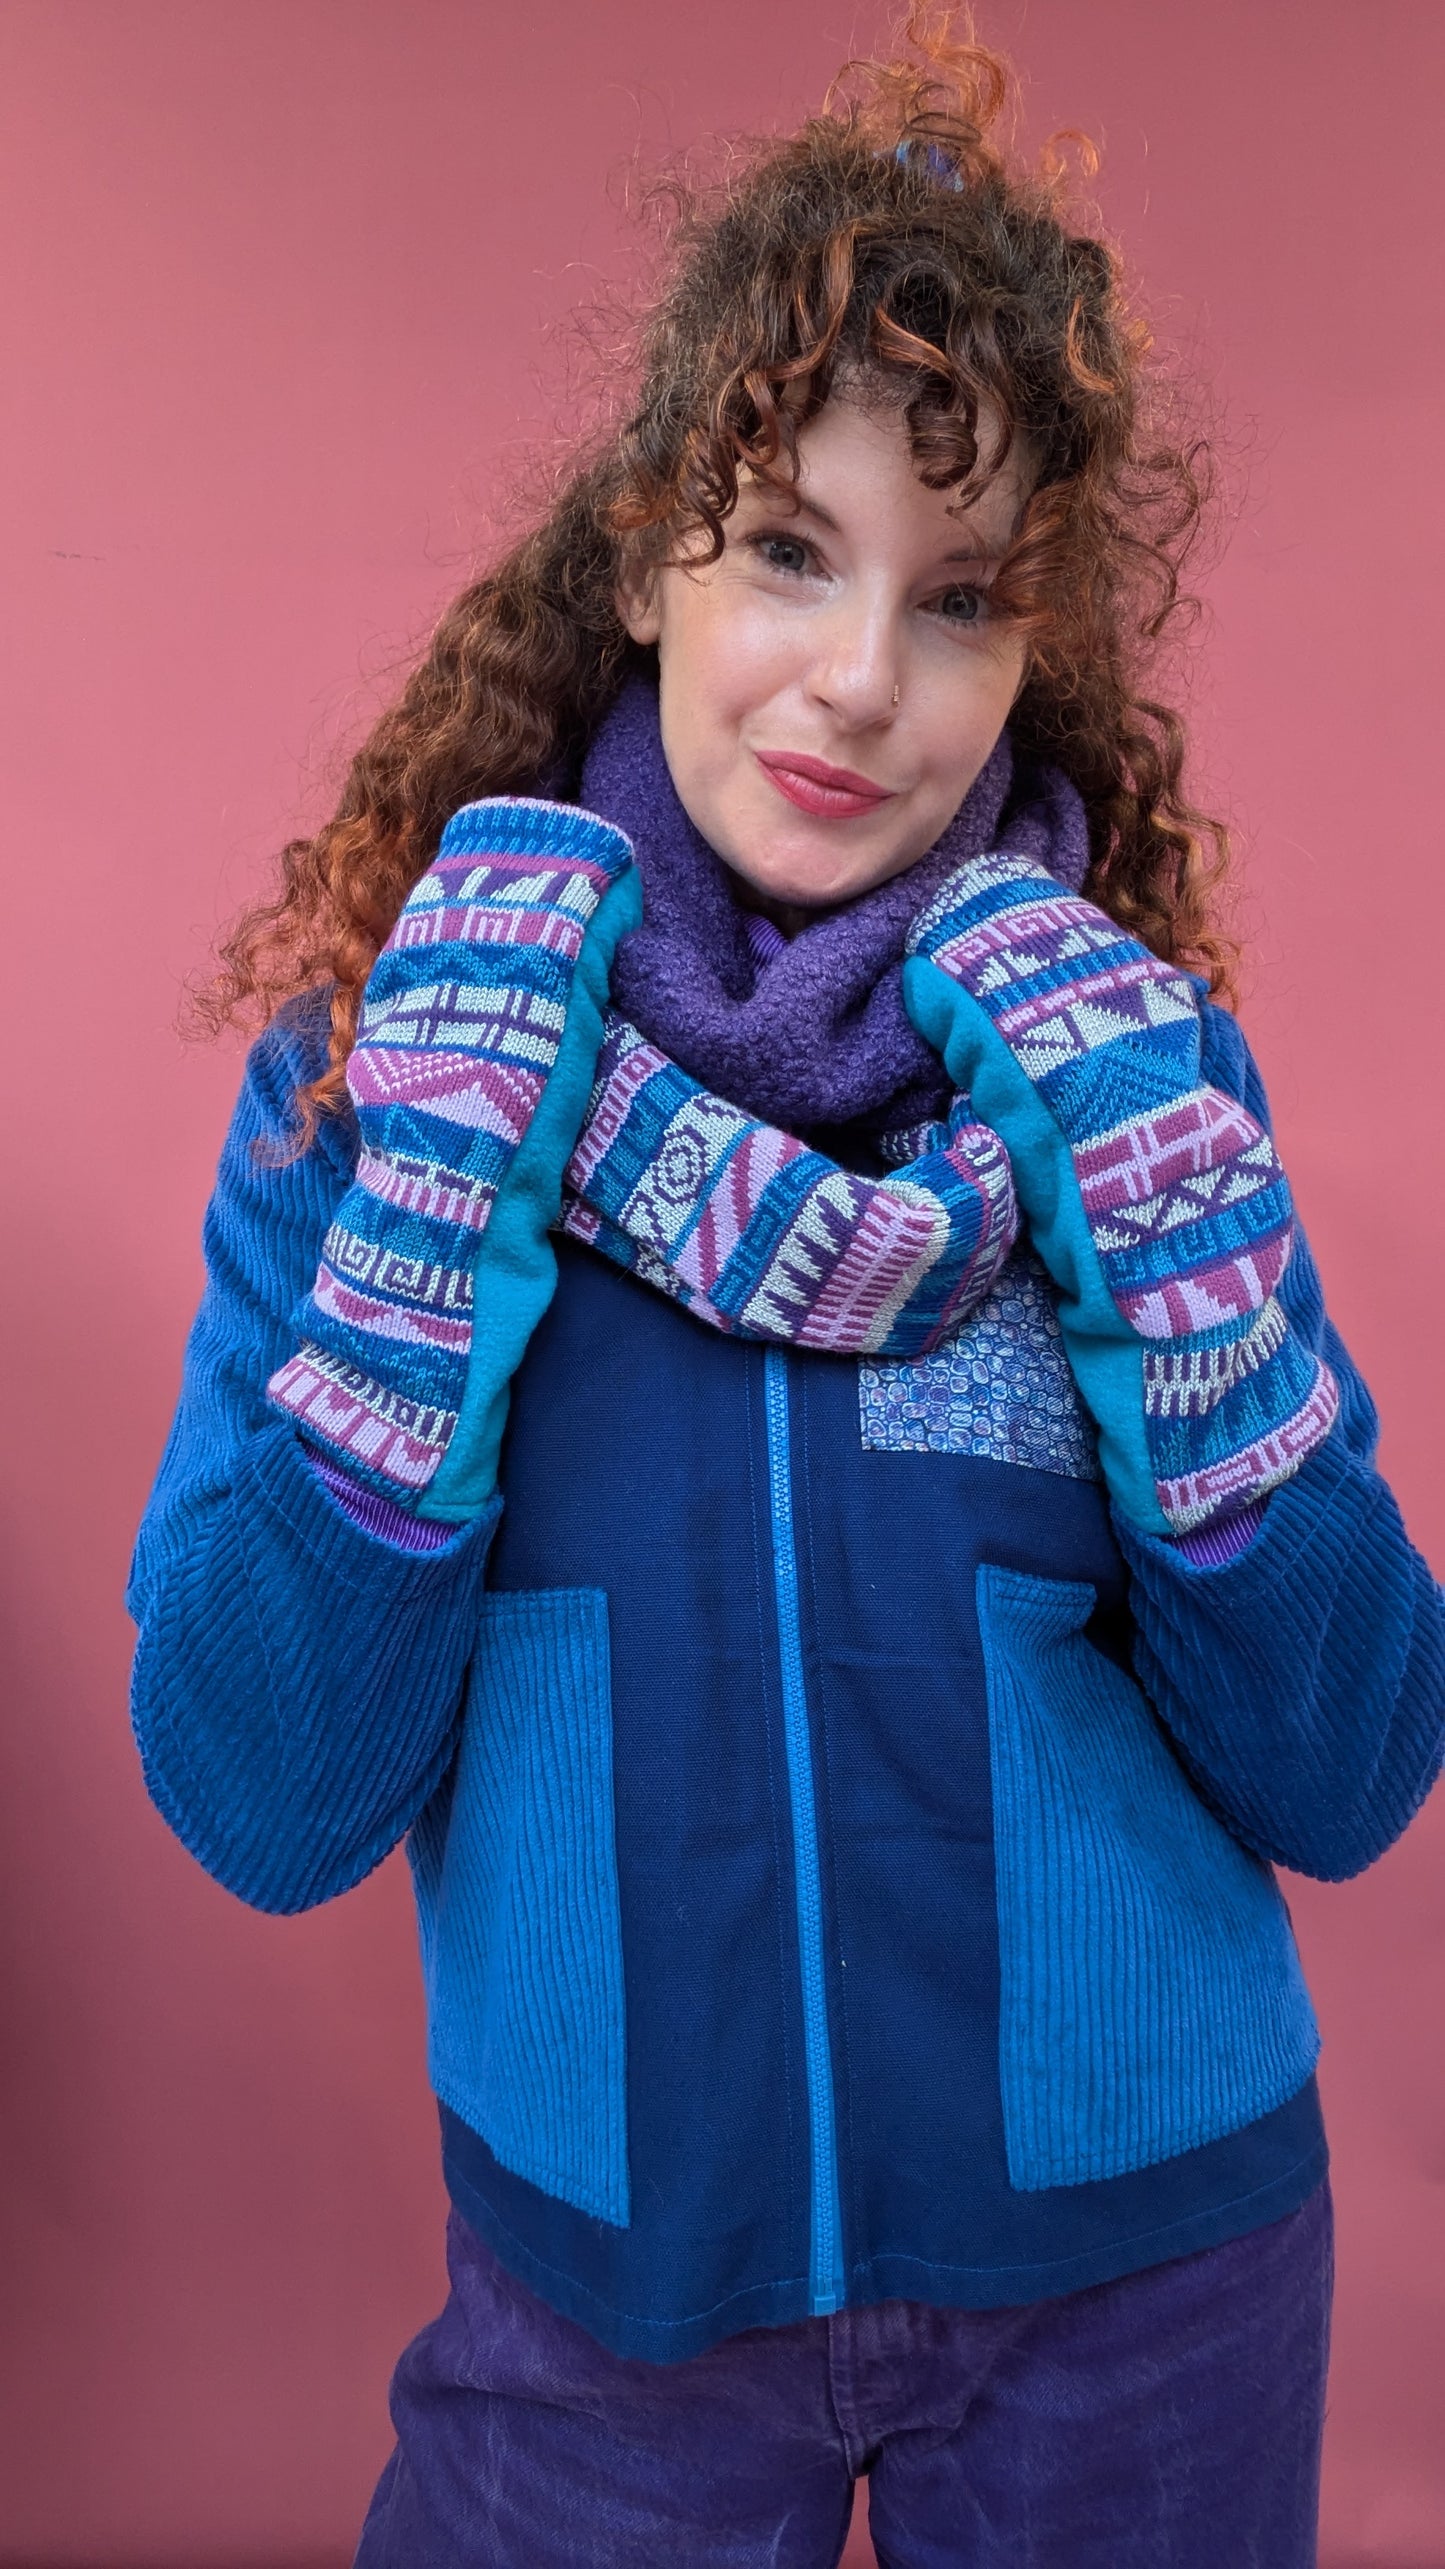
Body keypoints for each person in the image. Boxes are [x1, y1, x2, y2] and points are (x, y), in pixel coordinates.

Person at [127, 17, 1445, 2565]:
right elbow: (259, 1792)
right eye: (788, 553)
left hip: (1149, 2281)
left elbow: (1358, 1761)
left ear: (1028, 655)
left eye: (962, 603)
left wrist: (1188, 1291)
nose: (863, 680)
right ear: (645, 553)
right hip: (606, 2317)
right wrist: (424, 1255)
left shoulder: (1133, 1079)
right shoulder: (391, 1072)